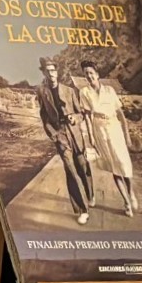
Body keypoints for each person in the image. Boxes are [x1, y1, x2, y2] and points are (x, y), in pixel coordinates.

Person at [35, 57, 95, 224]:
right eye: (47, 71)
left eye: (53, 70)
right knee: (70, 170)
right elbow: (44, 117)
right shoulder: (42, 92)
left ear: (57, 71)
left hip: (74, 132)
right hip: (60, 135)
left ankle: (90, 194)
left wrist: (75, 118)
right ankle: (82, 210)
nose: (51, 73)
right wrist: (54, 136)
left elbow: (81, 113)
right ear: (44, 73)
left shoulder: (69, 90)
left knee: (82, 166)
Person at [78, 60, 139, 217]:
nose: (89, 76)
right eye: (86, 74)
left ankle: (131, 193)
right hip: (100, 130)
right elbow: (87, 117)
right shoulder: (84, 93)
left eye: (91, 73)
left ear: (97, 75)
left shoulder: (109, 90)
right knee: (114, 167)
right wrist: (91, 138)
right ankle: (126, 202)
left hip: (114, 127)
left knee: (124, 164)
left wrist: (127, 136)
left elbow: (121, 115)